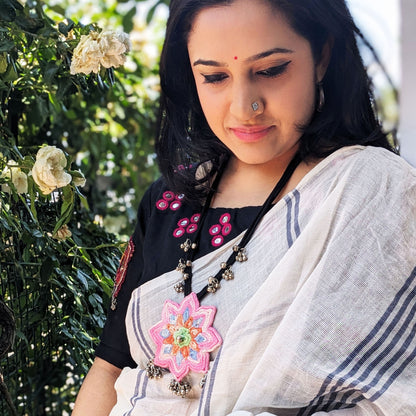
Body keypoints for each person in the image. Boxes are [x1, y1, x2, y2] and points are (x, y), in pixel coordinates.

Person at [72, 0, 416, 414]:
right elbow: (109, 370)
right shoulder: (168, 201)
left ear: (322, 57)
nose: (243, 107)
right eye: (214, 76)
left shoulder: (373, 196)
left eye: (270, 70)